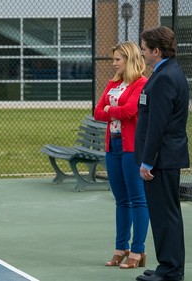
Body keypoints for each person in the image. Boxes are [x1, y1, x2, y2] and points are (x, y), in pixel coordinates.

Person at [135, 26, 189, 281]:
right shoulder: (168, 72)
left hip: (162, 159)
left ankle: (170, 270)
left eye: (145, 49)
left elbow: (158, 124)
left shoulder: (165, 77)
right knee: (166, 214)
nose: (142, 53)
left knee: (165, 214)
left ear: (156, 51)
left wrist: (147, 161)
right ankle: (168, 266)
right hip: (165, 157)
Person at [94, 41, 149, 269]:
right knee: (121, 200)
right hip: (113, 147)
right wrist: (110, 112)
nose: (114, 63)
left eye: (118, 59)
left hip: (131, 149)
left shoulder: (141, 83)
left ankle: (138, 250)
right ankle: (121, 248)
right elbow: (97, 112)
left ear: (130, 59)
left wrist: (110, 110)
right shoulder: (112, 83)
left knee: (137, 199)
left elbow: (129, 111)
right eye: (114, 59)